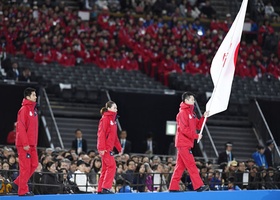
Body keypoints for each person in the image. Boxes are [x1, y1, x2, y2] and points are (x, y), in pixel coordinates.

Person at [169, 92, 209, 192]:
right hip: (183, 144)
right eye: (191, 99)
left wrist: (204, 117)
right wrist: (196, 136)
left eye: (193, 99)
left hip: (186, 143)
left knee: (180, 167)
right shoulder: (182, 113)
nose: (193, 101)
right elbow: (183, 129)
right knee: (191, 165)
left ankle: (173, 187)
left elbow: (198, 126)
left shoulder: (192, 113)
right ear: (186, 101)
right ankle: (199, 186)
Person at [13, 87, 38, 196]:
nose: (35, 96)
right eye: (33, 95)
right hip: (24, 145)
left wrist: (33, 143)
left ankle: (18, 182)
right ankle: (23, 190)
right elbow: (21, 128)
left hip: (32, 144)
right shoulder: (23, 110)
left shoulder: (34, 110)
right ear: (28, 97)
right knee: (25, 167)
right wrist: (25, 143)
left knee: (34, 164)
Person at [97, 101, 122, 194]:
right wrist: (101, 148)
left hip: (109, 148)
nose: (116, 109)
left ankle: (100, 189)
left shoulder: (113, 120)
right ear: (109, 108)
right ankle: (106, 187)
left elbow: (114, 137)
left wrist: (119, 148)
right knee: (112, 166)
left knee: (105, 169)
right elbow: (101, 133)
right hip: (105, 148)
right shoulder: (105, 119)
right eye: (115, 108)